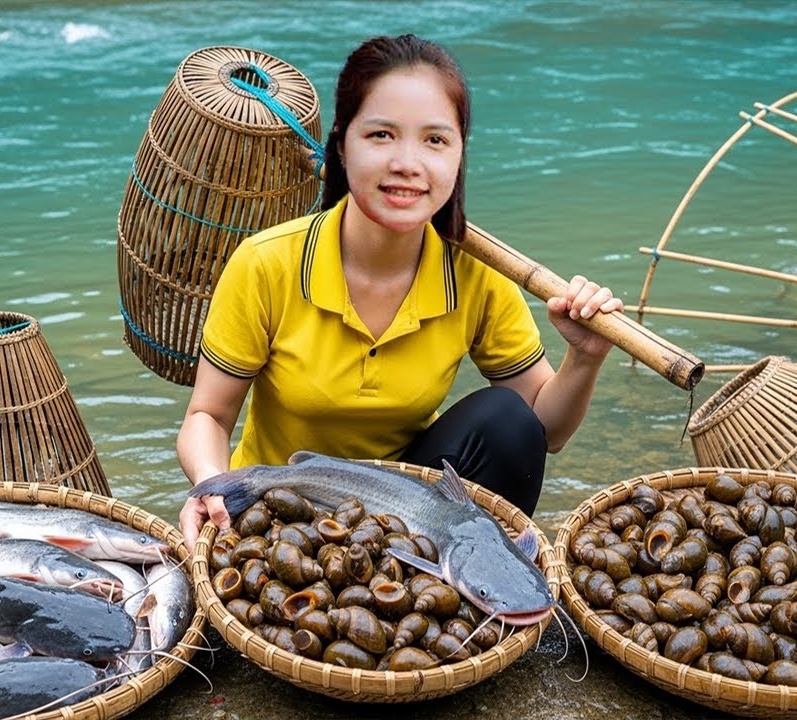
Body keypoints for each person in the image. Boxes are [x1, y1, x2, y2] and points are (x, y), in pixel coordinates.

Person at [177, 34, 623, 550]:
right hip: (284, 508)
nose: (408, 163)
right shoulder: (267, 264)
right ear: (342, 145)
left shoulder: (475, 274)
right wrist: (214, 486)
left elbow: (545, 431)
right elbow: (207, 417)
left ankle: (468, 580)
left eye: (435, 140)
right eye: (382, 135)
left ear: (458, 156)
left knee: (506, 420)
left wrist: (585, 357)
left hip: (409, 513)